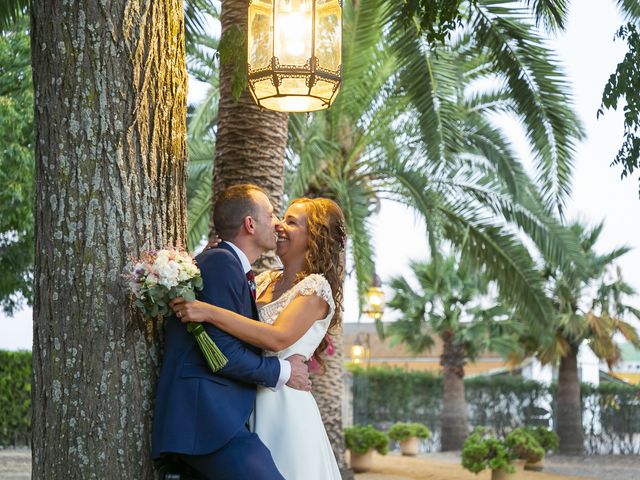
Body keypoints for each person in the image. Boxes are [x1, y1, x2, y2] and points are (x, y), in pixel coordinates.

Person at [170, 197, 345, 480]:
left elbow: (276, 339)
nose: (279, 225)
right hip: (243, 397)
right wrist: (210, 255)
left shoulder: (315, 289)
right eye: (280, 217)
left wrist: (208, 312)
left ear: (314, 236)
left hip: (285, 406)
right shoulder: (262, 280)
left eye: (291, 221)